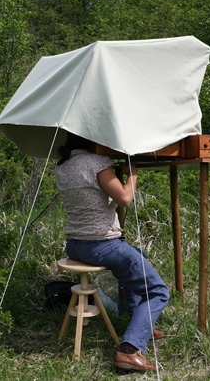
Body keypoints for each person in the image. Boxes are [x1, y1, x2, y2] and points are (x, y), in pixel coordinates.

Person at [55, 132, 170, 372]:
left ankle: (140, 324)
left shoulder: (63, 165)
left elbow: (98, 199)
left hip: (76, 244)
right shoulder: (97, 163)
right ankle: (128, 350)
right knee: (158, 291)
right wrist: (132, 175)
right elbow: (125, 198)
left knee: (137, 256)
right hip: (101, 245)